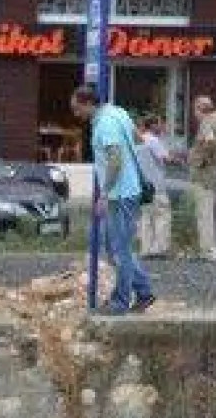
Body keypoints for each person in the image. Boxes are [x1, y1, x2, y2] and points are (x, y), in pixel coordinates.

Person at [71, 86, 154, 316]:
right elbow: (137, 138)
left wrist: (104, 193)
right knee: (115, 246)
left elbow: (115, 159)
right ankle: (144, 291)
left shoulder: (105, 124)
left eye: (77, 109)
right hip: (128, 190)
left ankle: (121, 301)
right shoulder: (118, 112)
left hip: (120, 194)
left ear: (89, 104)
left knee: (119, 250)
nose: (76, 115)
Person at [187, 96, 216, 261]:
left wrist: (199, 161)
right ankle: (211, 249)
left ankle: (208, 251)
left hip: (205, 176)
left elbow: (209, 142)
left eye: (194, 109)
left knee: (204, 215)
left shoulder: (206, 123)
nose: (194, 113)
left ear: (199, 109)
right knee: (209, 213)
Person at [134, 114, 173, 259]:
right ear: (153, 126)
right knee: (161, 215)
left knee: (146, 217)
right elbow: (165, 158)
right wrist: (179, 157)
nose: (163, 127)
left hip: (143, 185)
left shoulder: (138, 141)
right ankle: (159, 248)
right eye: (161, 123)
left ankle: (146, 248)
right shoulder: (153, 140)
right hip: (156, 184)